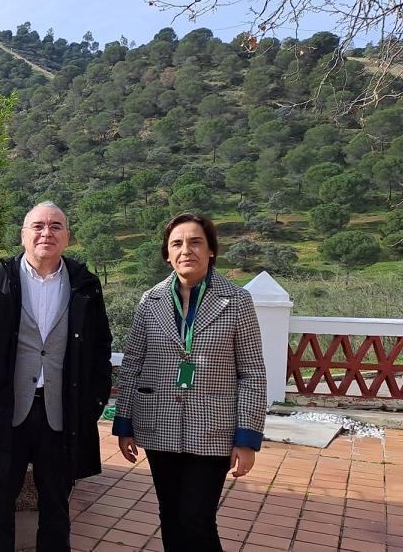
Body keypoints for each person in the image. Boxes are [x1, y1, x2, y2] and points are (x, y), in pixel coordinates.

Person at [0, 201, 113, 552]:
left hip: (61, 414)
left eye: (56, 226)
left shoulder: (85, 284)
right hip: (6, 413)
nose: (47, 233)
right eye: (39, 226)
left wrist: (92, 403)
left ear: (68, 237)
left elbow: (101, 347)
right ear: (24, 235)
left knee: (57, 508)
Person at [112, 212, 267, 552]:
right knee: (170, 515)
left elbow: (253, 373)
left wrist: (247, 439)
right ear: (167, 254)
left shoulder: (236, 301)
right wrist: (124, 425)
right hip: (159, 426)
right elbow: (133, 363)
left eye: (196, 242)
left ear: (211, 250)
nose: (187, 250)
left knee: (197, 519)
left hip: (213, 429)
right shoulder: (149, 302)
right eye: (177, 244)